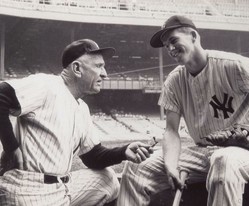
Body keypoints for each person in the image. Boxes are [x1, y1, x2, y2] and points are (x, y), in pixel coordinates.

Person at [116, 15, 249, 206]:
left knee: (223, 160)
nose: (170, 49)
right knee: (137, 166)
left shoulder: (234, 65)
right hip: (201, 153)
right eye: (166, 45)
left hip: (247, 152)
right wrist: (171, 166)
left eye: (173, 40)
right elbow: (171, 130)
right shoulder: (174, 80)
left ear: (193, 36)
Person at [0, 38, 153, 206]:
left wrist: (124, 152)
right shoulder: (47, 85)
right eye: (98, 66)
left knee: (107, 179)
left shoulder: (82, 108)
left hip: (61, 189)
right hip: (29, 190)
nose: (105, 73)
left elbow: (93, 157)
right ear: (77, 68)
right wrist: (12, 147)